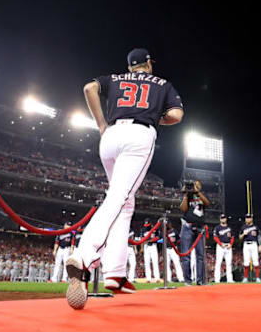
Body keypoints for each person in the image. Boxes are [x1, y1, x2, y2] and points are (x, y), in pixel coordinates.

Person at [67, 47, 184, 308]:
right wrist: (155, 116)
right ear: (149, 65)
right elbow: (176, 115)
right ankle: (83, 256)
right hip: (138, 136)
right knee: (118, 198)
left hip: (110, 137)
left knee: (124, 202)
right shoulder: (162, 83)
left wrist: (100, 124)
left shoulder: (116, 78)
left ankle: (115, 274)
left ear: (131, 66)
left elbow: (89, 89)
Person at [180, 180, 210, 286]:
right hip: (187, 226)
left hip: (200, 228)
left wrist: (198, 193)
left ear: (200, 186)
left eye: (197, 185)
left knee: (200, 256)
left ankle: (200, 281)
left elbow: (207, 203)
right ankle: (188, 281)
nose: (195, 187)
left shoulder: (201, 195)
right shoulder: (186, 195)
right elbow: (183, 209)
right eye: (193, 185)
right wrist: (186, 195)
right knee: (186, 254)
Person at [239, 213, 261, 283]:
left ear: (251, 219)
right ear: (245, 219)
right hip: (246, 244)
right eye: (247, 218)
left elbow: (259, 236)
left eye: (249, 217)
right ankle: (245, 278)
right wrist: (243, 234)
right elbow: (239, 238)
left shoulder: (256, 227)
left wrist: (260, 245)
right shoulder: (243, 227)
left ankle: (257, 278)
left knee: (256, 261)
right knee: (246, 262)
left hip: (254, 244)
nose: (248, 219)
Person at [213, 214, 234, 283]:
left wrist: (231, 244)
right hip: (220, 246)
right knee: (218, 263)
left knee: (229, 263)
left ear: (226, 219)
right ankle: (217, 279)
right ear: (220, 219)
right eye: (222, 218)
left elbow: (232, 237)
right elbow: (215, 237)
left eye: (224, 218)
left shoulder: (230, 228)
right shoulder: (217, 228)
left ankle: (230, 279)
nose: (223, 219)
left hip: (228, 246)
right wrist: (220, 243)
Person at [141, 218, 161, 283]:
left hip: (153, 246)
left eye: (148, 224)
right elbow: (142, 239)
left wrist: (151, 240)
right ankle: (148, 279)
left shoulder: (155, 229)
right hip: (146, 246)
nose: (146, 226)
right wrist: (141, 248)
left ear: (150, 224)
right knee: (147, 263)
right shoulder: (143, 229)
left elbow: (158, 237)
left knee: (155, 262)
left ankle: (157, 278)